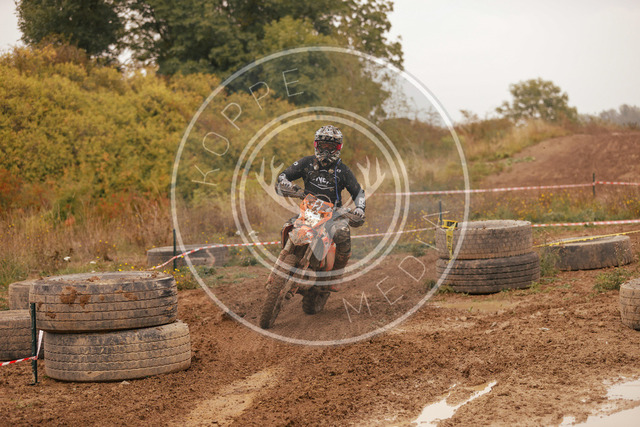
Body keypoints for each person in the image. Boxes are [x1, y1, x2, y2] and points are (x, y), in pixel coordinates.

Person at [275, 125, 366, 290]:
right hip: (309, 211)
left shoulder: (342, 170)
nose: (326, 150)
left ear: (338, 148)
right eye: (323, 145)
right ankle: (285, 259)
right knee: (286, 227)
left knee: (342, 234)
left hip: (334, 214)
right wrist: (286, 183)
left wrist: (359, 208)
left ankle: (336, 274)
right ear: (316, 144)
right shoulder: (307, 163)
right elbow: (284, 175)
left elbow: (358, 192)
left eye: (331, 146)